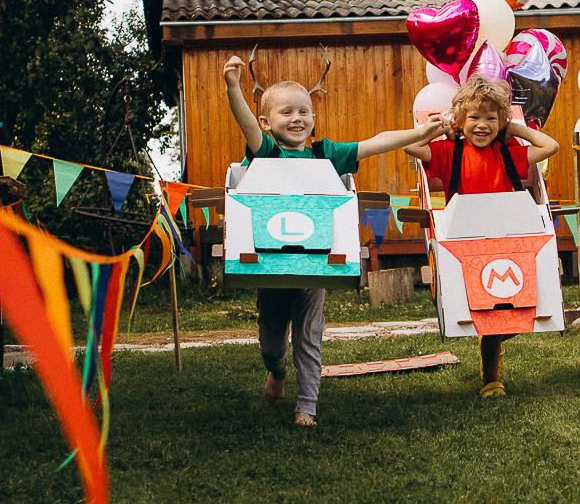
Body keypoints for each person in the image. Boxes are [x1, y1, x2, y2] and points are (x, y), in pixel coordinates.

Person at [223, 54, 440, 427]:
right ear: (267, 122)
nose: (297, 119)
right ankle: (276, 371)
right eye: (286, 112)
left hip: (316, 260)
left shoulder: (326, 153)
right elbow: (247, 129)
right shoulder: (267, 152)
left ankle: (306, 407)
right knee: (272, 341)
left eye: (304, 112)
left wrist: (419, 134)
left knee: (309, 334)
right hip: (271, 261)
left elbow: (374, 143)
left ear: (313, 118)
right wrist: (232, 87)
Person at [409, 75, 561, 398]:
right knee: (487, 309)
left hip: (508, 237)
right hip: (468, 239)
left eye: (491, 118)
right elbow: (411, 147)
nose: (482, 125)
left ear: (500, 121)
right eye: (474, 117)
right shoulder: (450, 152)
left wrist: (515, 128)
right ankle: (492, 377)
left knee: (511, 308)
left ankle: (491, 357)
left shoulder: (507, 154)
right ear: (461, 120)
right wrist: (441, 127)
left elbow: (551, 146)